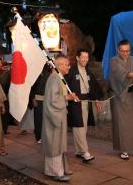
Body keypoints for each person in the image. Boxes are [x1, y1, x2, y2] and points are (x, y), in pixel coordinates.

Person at [42, 54, 79, 182]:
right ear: (61, 65)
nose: (69, 67)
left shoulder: (58, 78)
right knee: (55, 144)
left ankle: (57, 169)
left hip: (58, 116)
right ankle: (56, 172)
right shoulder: (54, 78)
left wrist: (67, 97)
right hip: (54, 118)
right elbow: (53, 101)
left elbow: (58, 97)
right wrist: (67, 98)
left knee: (57, 144)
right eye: (67, 64)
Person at [66, 49, 103, 162]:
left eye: (87, 57)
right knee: (79, 127)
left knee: (84, 127)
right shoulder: (71, 71)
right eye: (83, 57)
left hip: (86, 102)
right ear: (77, 58)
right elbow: (64, 86)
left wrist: (96, 99)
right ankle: (85, 152)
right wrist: (68, 97)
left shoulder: (88, 71)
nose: (85, 59)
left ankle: (78, 150)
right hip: (75, 103)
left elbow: (93, 87)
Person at [31, 64, 51, 143]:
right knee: (38, 119)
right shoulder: (35, 75)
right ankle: (39, 137)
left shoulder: (49, 75)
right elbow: (31, 88)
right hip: (38, 99)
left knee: (47, 119)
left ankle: (46, 136)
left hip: (47, 99)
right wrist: (33, 99)